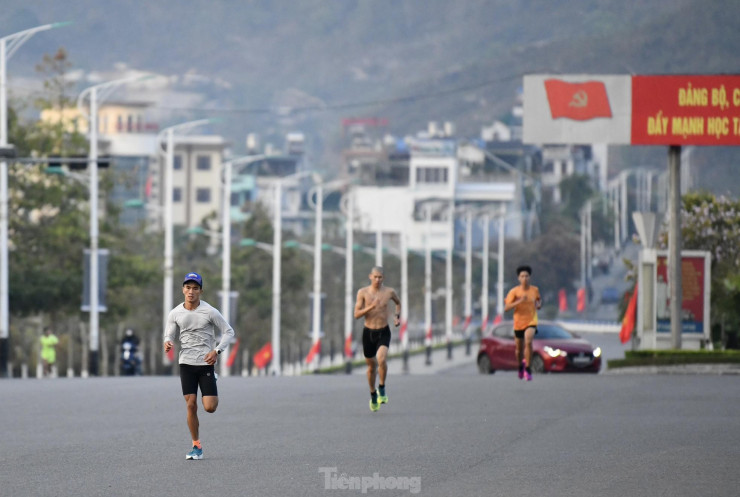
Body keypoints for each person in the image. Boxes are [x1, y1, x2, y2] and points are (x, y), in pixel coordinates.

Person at [163, 272, 235, 460]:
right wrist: (168, 342)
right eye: (188, 287)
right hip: (186, 363)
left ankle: (213, 380)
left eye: (195, 288)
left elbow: (228, 331)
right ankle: (196, 446)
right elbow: (169, 334)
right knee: (191, 404)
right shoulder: (175, 313)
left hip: (205, 363)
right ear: (183, 289)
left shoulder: (210, 311)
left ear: (201, 291)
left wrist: (217, 351)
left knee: (210, 407)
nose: (191, 291)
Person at [354, 266, 401, 412]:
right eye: (375, 277)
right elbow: (356, 314)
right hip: (368, 333)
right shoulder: (362, 292)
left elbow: (398, 303)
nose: (377, 280)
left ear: (383, 278)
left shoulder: (389, 292)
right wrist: (371, 307)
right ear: (370, 277)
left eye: (380, 277)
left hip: (383, 331)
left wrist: (396, 317)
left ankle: (381, 387)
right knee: (371, 367)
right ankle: (373, 394)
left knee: (381, 359)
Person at [504, 265, 542, 381]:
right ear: (518, 278)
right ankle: (521, 365)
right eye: (522, 276)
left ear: (530, 277)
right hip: (519, 322)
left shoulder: (535, 290)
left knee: (529, 340)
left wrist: (539, 305)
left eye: (526, 276)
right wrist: (519, 301)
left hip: (531, 320)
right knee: (519, 349)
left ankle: (528, 369)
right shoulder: (514, 292)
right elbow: (507, 307)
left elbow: (538, 301)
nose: (524, 278)